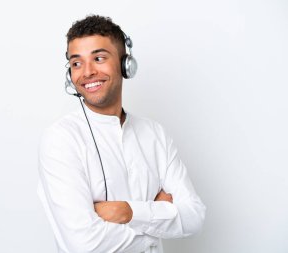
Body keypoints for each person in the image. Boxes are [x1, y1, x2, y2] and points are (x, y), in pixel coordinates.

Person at [37, 15, 206, 253]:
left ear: (125, 64)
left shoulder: (154, 133)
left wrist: (128, 211)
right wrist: (155, 216)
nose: (87, 72)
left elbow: (195, 216)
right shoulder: (61, 140)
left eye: (98, 58)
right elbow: (84, 245)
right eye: (76, 63)